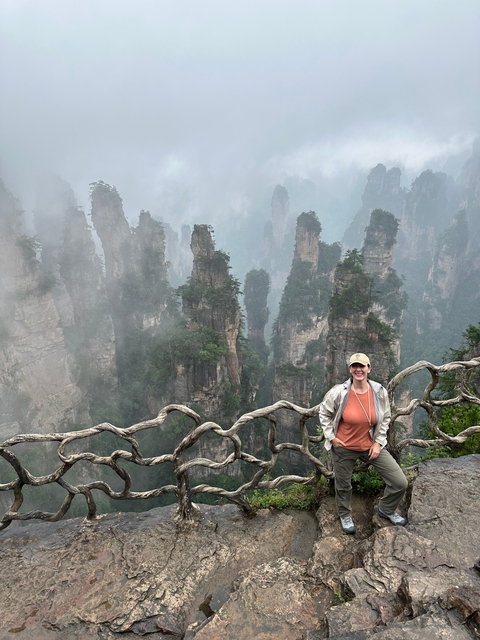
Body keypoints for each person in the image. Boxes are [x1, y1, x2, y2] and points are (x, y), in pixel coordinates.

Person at [319, 353, 408, 534]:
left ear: (369, 369)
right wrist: (331, 437)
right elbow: (324, 412)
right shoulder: (339, 392)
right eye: (354, 366)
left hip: (370, 446)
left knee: (400, 482)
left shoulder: (378, 392)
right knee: (343, 485)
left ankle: (386, 509)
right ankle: (345, 514)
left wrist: (377, 443)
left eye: (362, 366)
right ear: (350, 369)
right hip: (344, 448)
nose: (358, 369)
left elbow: (385, 418)